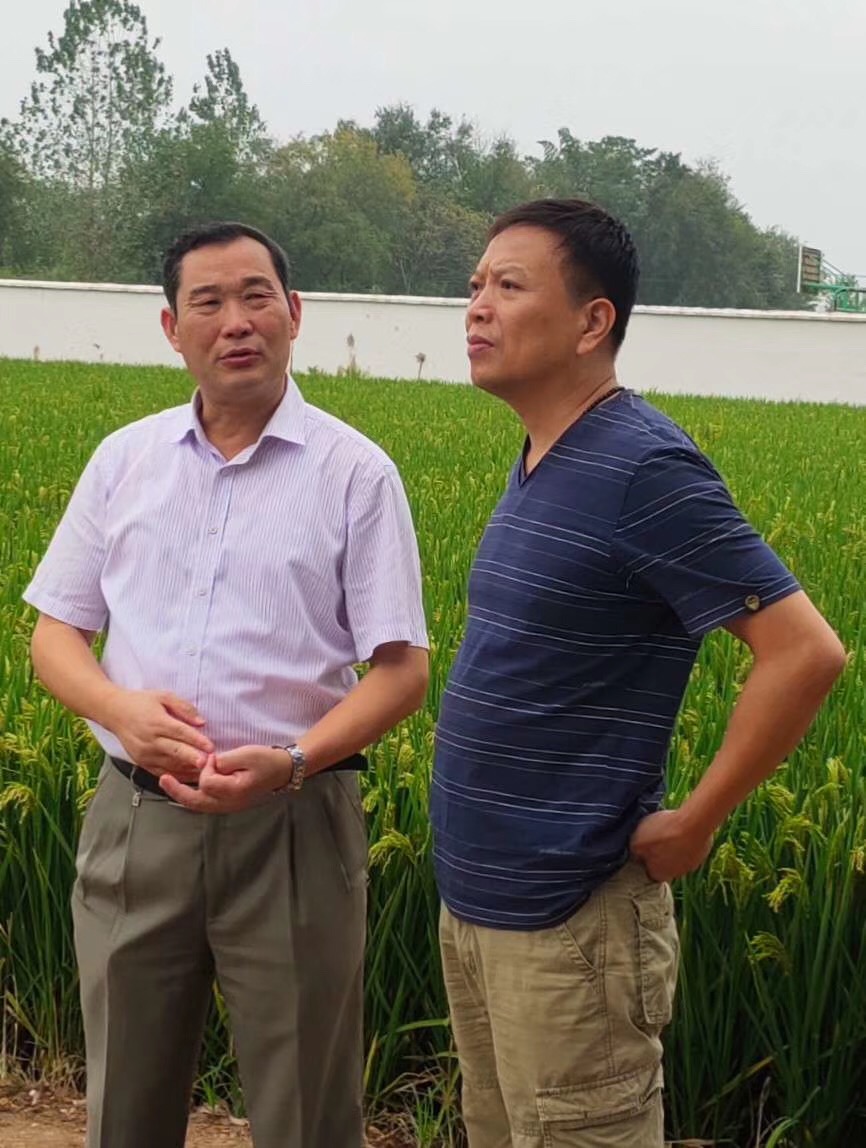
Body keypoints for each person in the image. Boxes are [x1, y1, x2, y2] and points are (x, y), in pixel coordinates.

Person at [431, 198, 845, 1147]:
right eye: (475, 285)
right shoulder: (547, 455)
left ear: (593, 321)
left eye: (509, 285)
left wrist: (699, 820)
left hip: (570, 925)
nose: (477, 307)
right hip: (482, 911)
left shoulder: (643, 468)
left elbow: (806, 652)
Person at [23, 221, 429, 1148]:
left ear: (295, 313)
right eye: (207, 302)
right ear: (174, 329)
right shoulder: (124, 460)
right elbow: (55, 634)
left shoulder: (356, 474)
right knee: (124, 1105)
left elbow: (402, 672)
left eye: (256, 297)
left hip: (293, 823)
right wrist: (119, 709)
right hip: (137, 820)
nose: (235, 321)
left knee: (306, 1112)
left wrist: (293, 759)